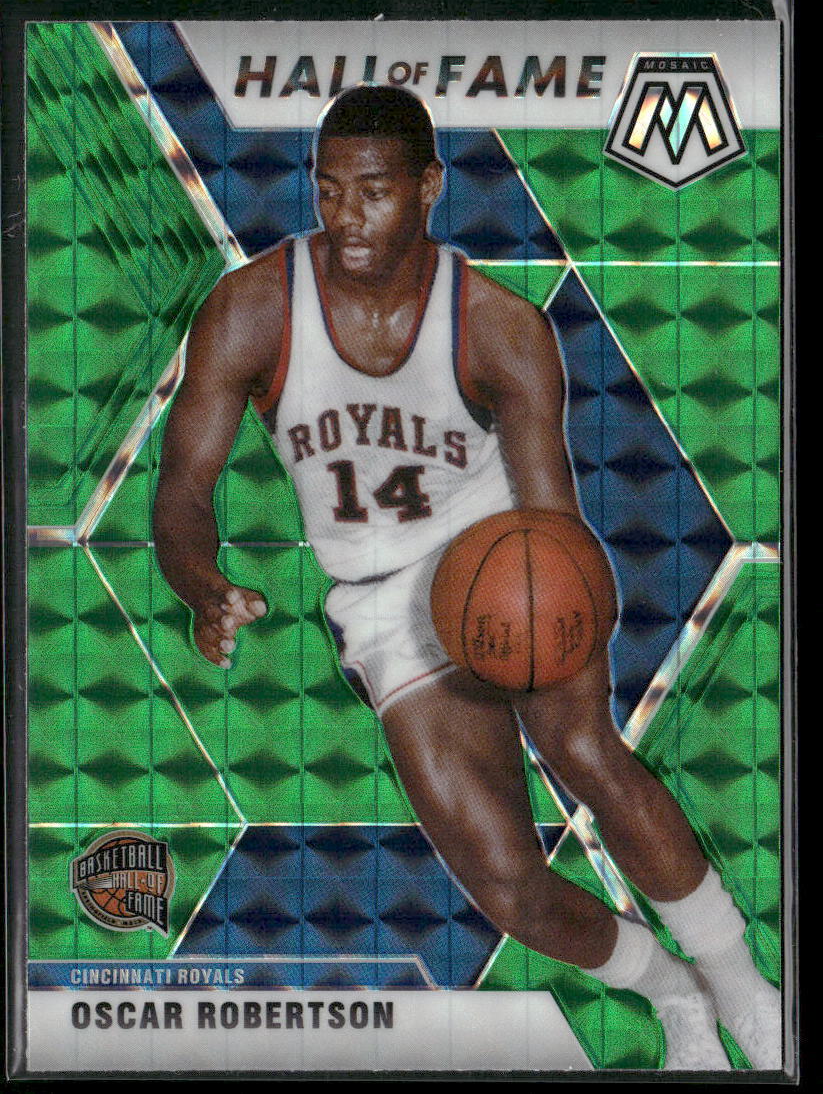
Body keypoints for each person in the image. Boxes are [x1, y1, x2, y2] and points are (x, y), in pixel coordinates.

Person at [153, 85, 780, 1071]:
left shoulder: (497, 325)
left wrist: (549, 611)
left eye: (374, 191)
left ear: (429, 187)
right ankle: (672, 993)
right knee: (505, 886)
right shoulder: (250, 310)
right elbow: (184, 487)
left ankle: (744, 989)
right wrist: (202, 584)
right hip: (381, 601)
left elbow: (551, 520)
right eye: (329, 189)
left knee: (581, 747)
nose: (347, 216)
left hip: (505, 552)